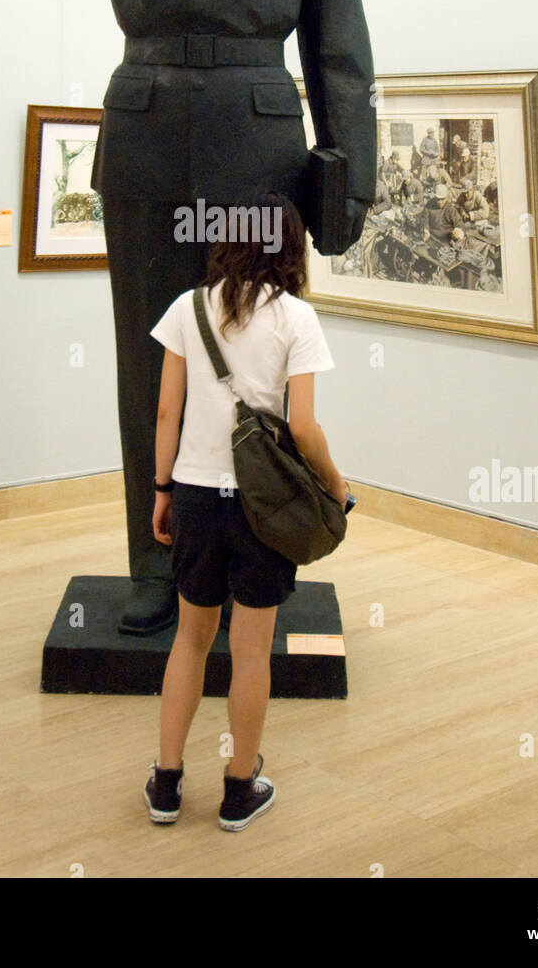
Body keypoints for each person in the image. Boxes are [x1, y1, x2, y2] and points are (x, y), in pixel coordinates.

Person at [0, 0, 375, 635]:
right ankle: (156, 562)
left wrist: (345, 171)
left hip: (259, 151)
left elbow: (339, 47)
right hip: (147, 144)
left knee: (258, 356)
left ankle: (256, 551)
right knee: (147, 361)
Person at [143, 192, 353, 831]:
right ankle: (239, 788)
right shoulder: (296, 318)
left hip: (197, 498)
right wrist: (338, 490)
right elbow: (306, 428)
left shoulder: (187, 308)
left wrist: (161, 490)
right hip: (266, 509)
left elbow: (164, 414)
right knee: (253, 652)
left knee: (191, 639)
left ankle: (167, 783)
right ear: (289, 244)